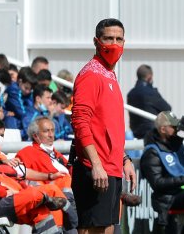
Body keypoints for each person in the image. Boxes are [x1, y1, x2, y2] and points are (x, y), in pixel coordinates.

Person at [71, 18, 136, 234]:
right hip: (95, 169)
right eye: (108, 38)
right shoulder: (91, 74)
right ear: (96, 41)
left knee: (108, 229)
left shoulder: (109, 74)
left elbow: (107, 125)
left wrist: (124, 158)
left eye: (119, 39)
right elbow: (80, 121)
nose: (114, 44)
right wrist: (96, 164)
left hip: (111, 167)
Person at [127, 64, 171, 139]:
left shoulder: (130, 94)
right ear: (149, 77)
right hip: (151, 135)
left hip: (135, 135)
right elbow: (167, 108)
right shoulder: (151, 93)